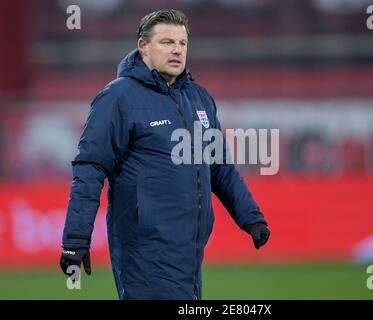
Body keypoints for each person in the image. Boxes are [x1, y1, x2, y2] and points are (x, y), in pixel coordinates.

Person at [59, 9, 270, 300]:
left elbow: (219, 166)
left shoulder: (199, 97)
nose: (177, 50)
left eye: (182, 43)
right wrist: (76, 238)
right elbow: (90, 168)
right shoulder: (118, 98)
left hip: (190, 251)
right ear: (143, 46)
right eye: (167, 42)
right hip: (144, 251)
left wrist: (250, 216)